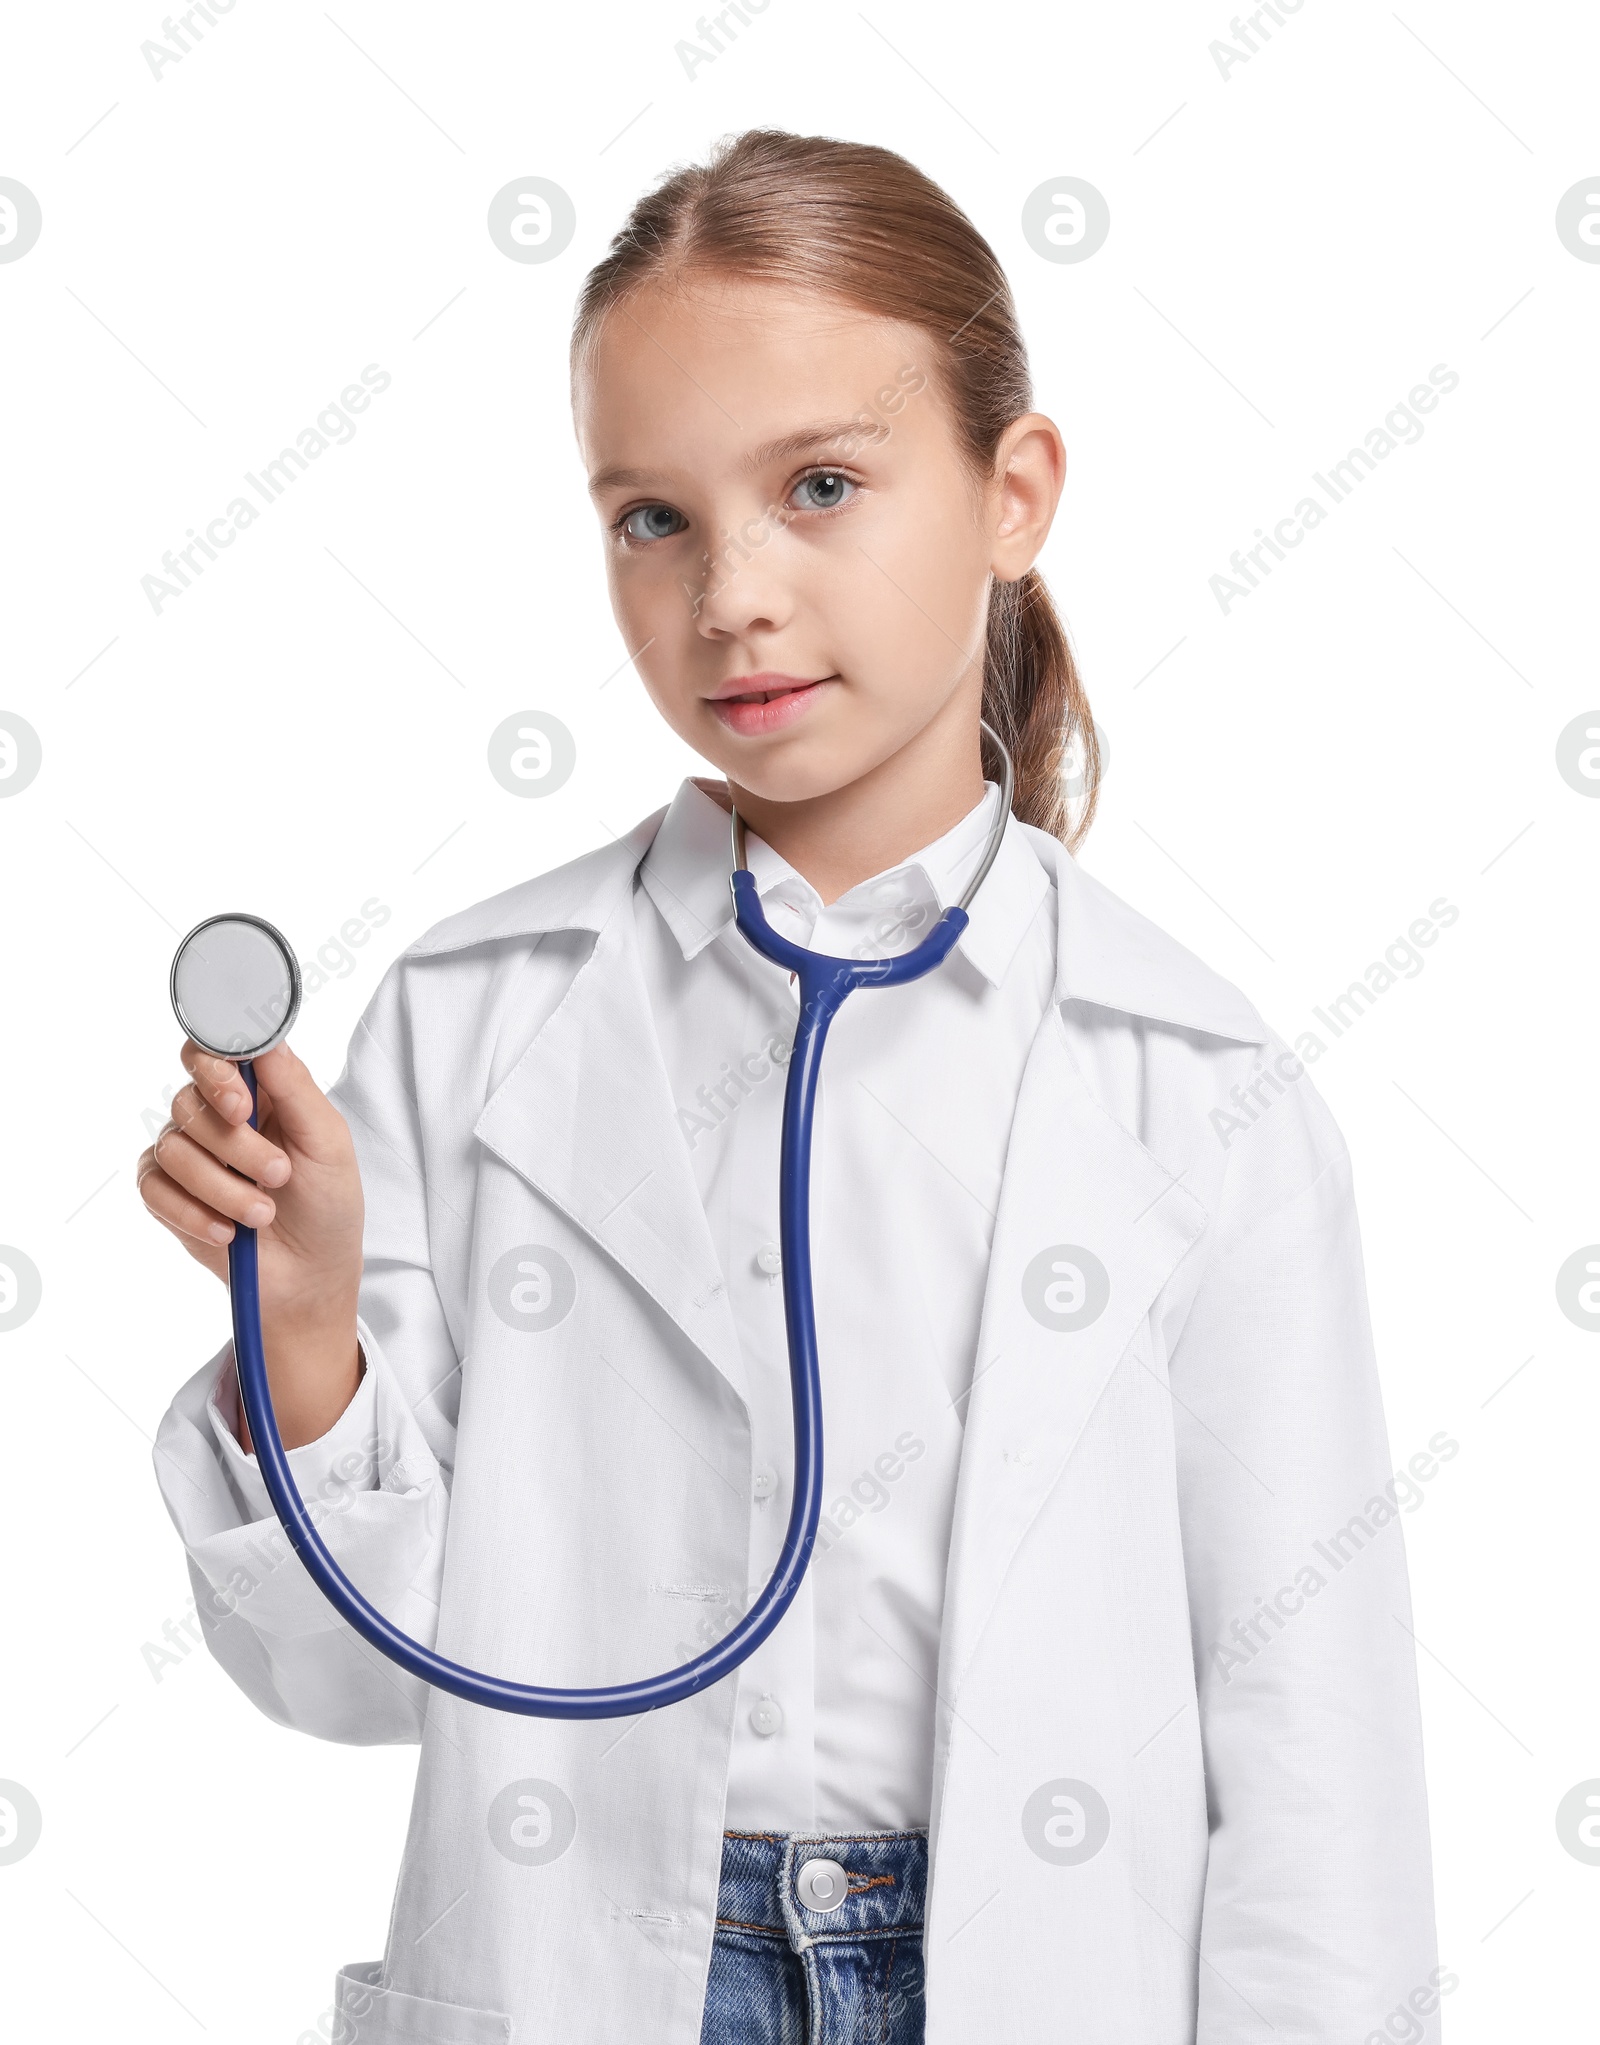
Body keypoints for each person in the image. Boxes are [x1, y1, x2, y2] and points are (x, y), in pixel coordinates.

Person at [141, 129, 1441, 2045]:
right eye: (650, 517)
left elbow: (1313, 1757)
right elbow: (354, 1674)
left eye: (820, 486)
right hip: (597, 1982)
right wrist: (310, 1329)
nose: (730, 591)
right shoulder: (477, 1017)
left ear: (1016, 494)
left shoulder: (1203, 1089)